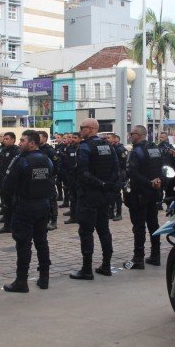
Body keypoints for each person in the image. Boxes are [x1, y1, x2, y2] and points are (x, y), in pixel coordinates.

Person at [1, 130, 53, 292]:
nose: (19, 143)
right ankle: (44, 278)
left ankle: (21, 281)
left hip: (25, 206)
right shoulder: (47, 160)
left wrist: (10, 205)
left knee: (23, 244)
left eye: (22, 140)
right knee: (41, 241)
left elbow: (6, 186)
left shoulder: (21, 161)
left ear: (32, 143)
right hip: (43, 205)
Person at [69, 118, 119, 280]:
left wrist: (100, 184)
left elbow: (83, 173)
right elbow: (116, 170)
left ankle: (87, 269)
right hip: (105, 196)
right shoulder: (109, 146)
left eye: (82, 127)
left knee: (86, 231)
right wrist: (107, 185)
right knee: (104, 230)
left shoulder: (84, 147)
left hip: (89, 195)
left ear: (90, 129)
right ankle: (106, 265)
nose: (80, 130)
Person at [125, 125, 164, 268]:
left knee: (139, 227)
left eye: (132, 133)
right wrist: (158, 180)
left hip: (139, 193)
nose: (130, 136)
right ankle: (156, 256)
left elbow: (132, 173)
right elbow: (162, 168)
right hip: (153, 193)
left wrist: (149, 182)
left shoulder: (136, 151)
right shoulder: (155, 149)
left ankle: (138, 259)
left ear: (139, 135)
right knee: (154, 225)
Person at [0, 132, 20, 234]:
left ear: (13, 140)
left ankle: (11, 224)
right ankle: (7, 221)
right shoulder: (3, 149)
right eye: (4, 139)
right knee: (5, 202)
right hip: (3, 178)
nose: (5, 140)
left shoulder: (16, 151)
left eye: (7, 139)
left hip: (12, 181)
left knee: (12, 203)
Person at [37, 130, 59, 230]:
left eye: (39, 137)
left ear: (45, 138)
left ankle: (53, 220)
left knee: (51, 200)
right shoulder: (36, 149)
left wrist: (52, 175)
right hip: (38, 179)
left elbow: (55, 164)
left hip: (48, 179)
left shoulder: (49, 150)